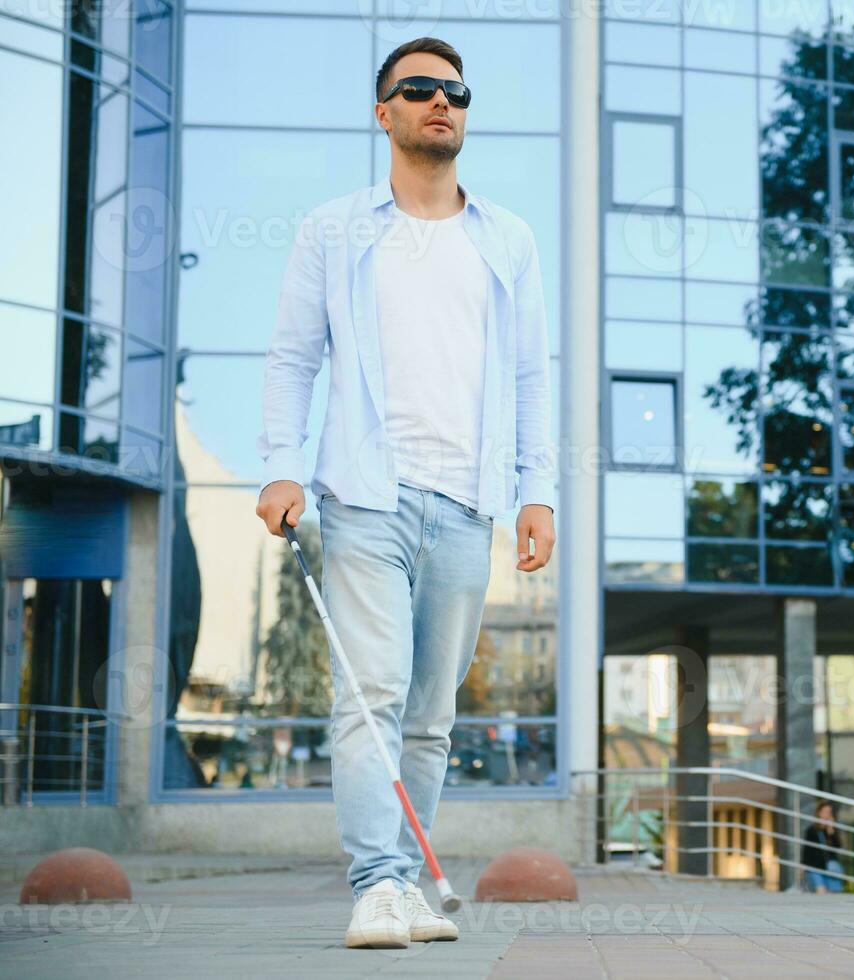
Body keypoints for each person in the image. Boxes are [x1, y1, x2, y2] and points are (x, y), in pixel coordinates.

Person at [253, 36, 557, 950]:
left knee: (430, 716)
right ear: (382, 112)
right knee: (372, 693)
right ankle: (377, 883)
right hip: (365, 500)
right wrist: (279, 463)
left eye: (453, 91)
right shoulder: (335, 229)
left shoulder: (507, 239)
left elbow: (530, 376)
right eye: (417, 89)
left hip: (467, 508)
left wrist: (535, 491)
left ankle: (410, 884)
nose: (439, 102)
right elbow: (293, 357)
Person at [800, 802, 847, 893]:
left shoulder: (832, 830)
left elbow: (837, 848)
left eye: (829, 812)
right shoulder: (812, 830)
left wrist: (831, 832)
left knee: (833, 892)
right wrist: (803, 864)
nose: (827, 815)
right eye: (825, 812)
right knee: (821, 891)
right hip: (815, 866)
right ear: (819, 813)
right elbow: (807, 849)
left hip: (830, 867)